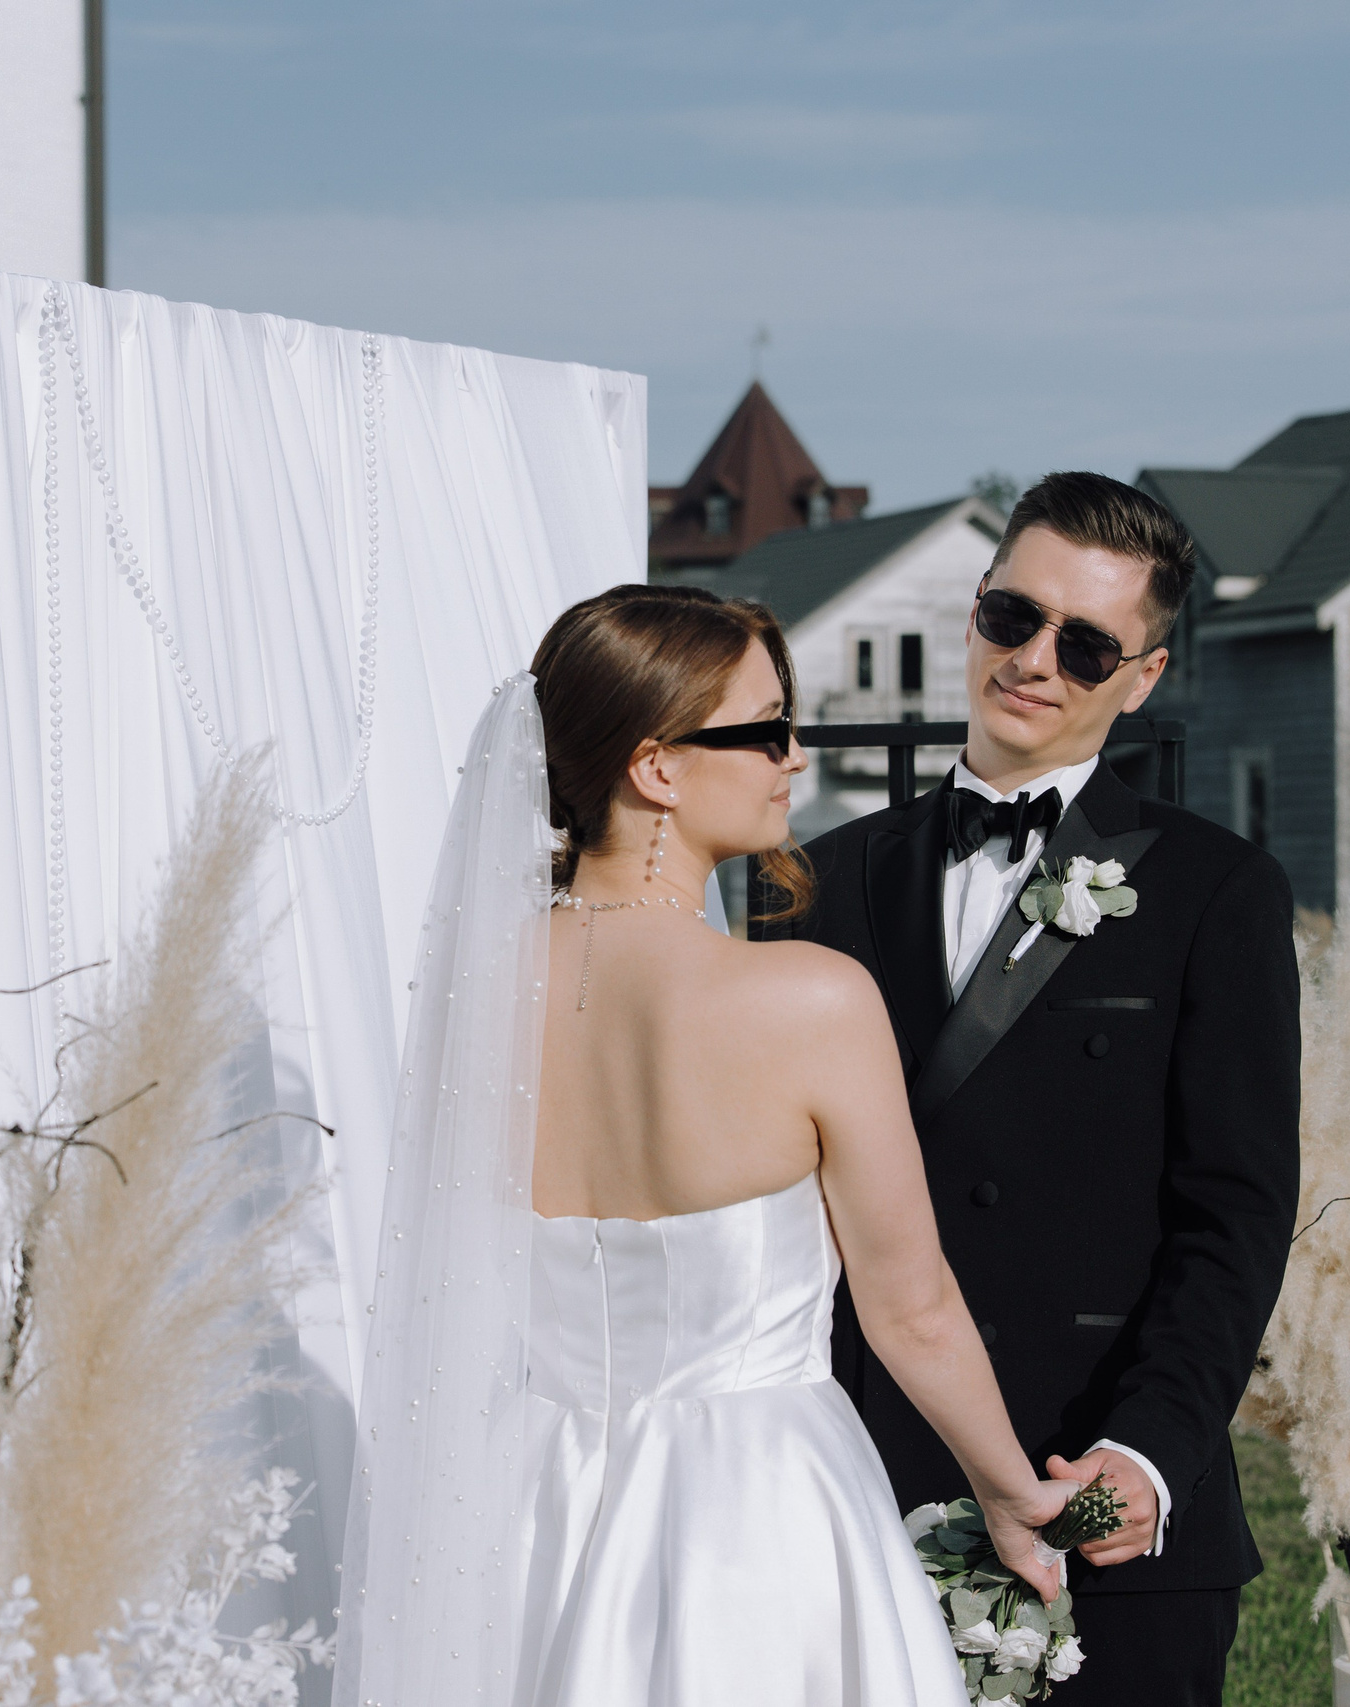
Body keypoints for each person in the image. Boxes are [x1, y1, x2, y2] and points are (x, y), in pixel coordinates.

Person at [334, 584, 1080, 1707]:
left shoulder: (476, 998)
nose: (794, 758)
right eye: (765, 730)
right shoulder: (811, 1001)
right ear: (656, 769)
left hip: (531, 1507)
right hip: (759, 1514)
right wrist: (1011, 1493)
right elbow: (912, 1308)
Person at [775, 472, 1303, 1707]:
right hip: (859, 1487)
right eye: (1011, 617)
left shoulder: (1216, 892)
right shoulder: (816, 880)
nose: (1034, 661)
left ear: (1144, 677)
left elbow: (1233, 1215)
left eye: (1085, 643)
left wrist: (1147, 1456)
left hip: (1096, 1497)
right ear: (973, 612)